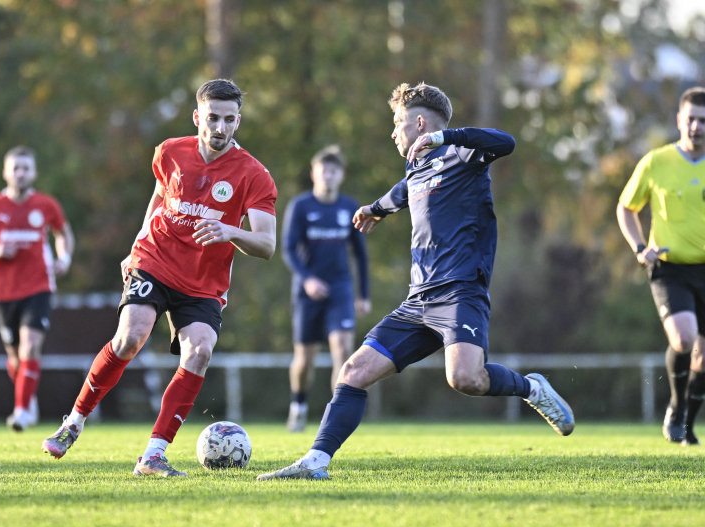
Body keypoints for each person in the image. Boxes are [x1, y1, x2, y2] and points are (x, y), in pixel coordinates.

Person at [258, 82, 574, 481]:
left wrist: (446, 137)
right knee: (353, 371)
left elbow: (505, 142)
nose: (393, 132)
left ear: (420, 123)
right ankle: (314, 463)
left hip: (459, 292)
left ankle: (532, 389)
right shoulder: (417, 166)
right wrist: (375, 208)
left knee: (465, 379)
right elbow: (408, 189)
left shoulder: (463, 153)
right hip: (417, 302)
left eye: (397, 123)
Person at [41, 79, 278, 477]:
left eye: (229, 120)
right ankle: (73, 424)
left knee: (200, 352)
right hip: (156, 259)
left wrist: (230, 232)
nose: (220, 127)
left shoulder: (254, 174)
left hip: (203, 281)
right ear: (197, 117)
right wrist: (137, 243)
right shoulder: (170, 152)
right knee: (131, 337)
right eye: (213, 118)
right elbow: (159, 197)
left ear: (238, 121)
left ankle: (153, 456)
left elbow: (267, 244)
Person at [0, 146, 75, 431]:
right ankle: (28, 396)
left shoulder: (46, 205)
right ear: (5, 172)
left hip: (39, 287)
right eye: (15, 168)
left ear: (34, 173)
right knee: (15, 357)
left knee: (30, 345)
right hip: (3, 292)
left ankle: (21, 410)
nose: (20, 173)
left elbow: (63, 233)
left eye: (26, 168)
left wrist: (64, 258)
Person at [617, 87, 705, 446]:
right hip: (670, 269)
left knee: (704, 360)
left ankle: (688, 424)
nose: (696, 127)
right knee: (683, 338)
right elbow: (626, 208)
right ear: (679, 120)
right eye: (691, 119)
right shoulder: (657, 162)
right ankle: (676, 406)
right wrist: (640, 248)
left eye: (703, 121)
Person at [282, 145, 371, 432]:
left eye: (334, 171)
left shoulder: (349, 207)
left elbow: (360, 254)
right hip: (307, 293)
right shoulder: (301, 206)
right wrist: (307, 279)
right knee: (305, 359)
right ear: (314, 174)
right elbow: (288, 249)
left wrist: (363, 294)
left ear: (341, 175)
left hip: (340, 290)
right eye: (324, 171)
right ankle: (298, 406)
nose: (328, 176)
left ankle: (335, 418)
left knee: (343, 350)